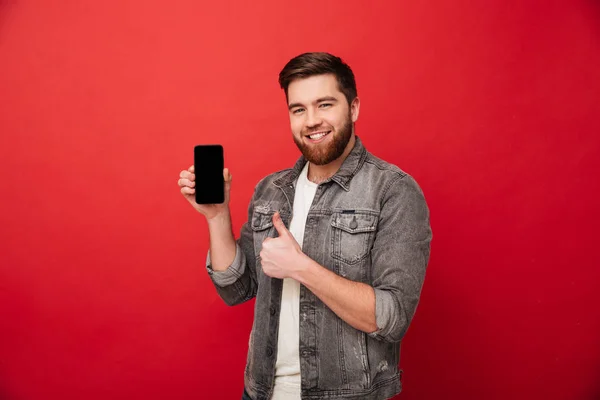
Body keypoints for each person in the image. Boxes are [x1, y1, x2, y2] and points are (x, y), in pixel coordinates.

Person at [177, 52, 432, 400]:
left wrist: (302, 268)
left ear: (353, 108)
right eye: (298, 109)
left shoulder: (393, 191)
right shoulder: (271, 190)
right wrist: (217, 216)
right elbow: (235, 289)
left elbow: (392, 317)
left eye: (324, 104)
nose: (312, 121)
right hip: (262, 392)